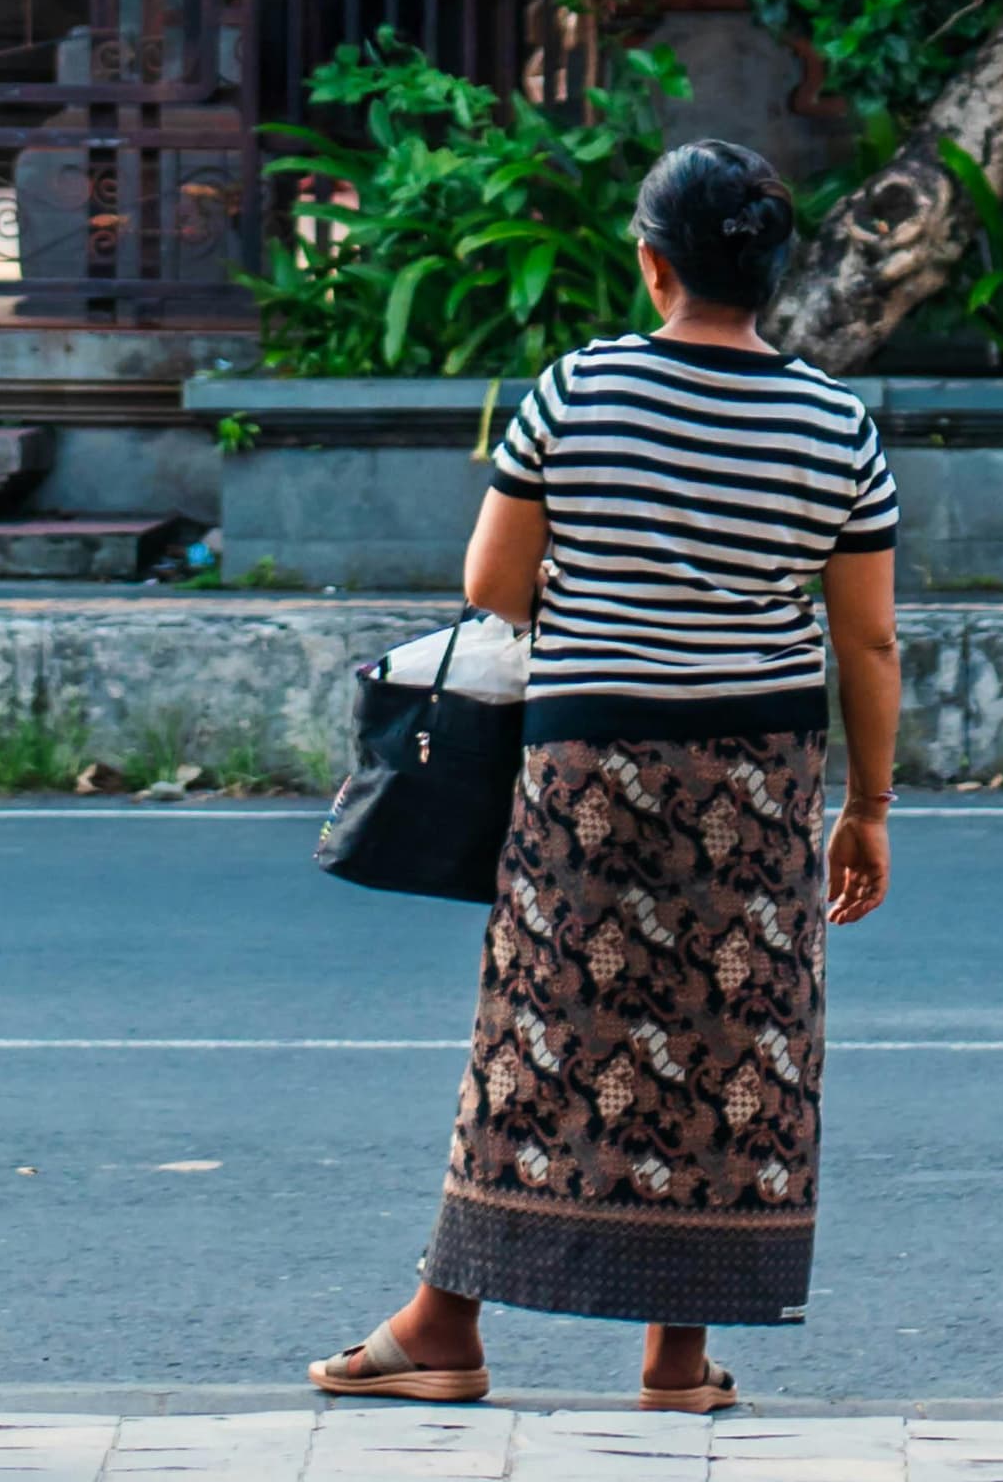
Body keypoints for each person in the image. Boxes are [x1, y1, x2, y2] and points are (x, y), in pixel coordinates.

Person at [306, 137, 900, 1416]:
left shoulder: (576, 393)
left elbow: (489, 588)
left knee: (540, 1031)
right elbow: (866, 638)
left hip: (590, 766)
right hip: (759, 777)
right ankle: (678, 1360)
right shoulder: (833, 422)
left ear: (651, 265)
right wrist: (870, 807)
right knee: (728, 1040)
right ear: (775, 274)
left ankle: (443, 1329)